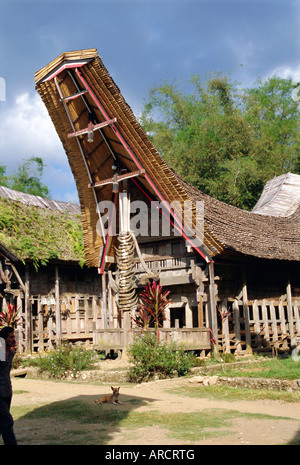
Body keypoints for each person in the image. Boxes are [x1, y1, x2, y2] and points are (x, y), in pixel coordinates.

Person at [0, 326, 17, 445]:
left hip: (7, 390)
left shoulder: (10, 353)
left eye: (14, 336)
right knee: (7, 421)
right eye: (10, 337)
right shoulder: (0, 353)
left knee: (1, 422)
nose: (13, 339)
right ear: (4, 339)